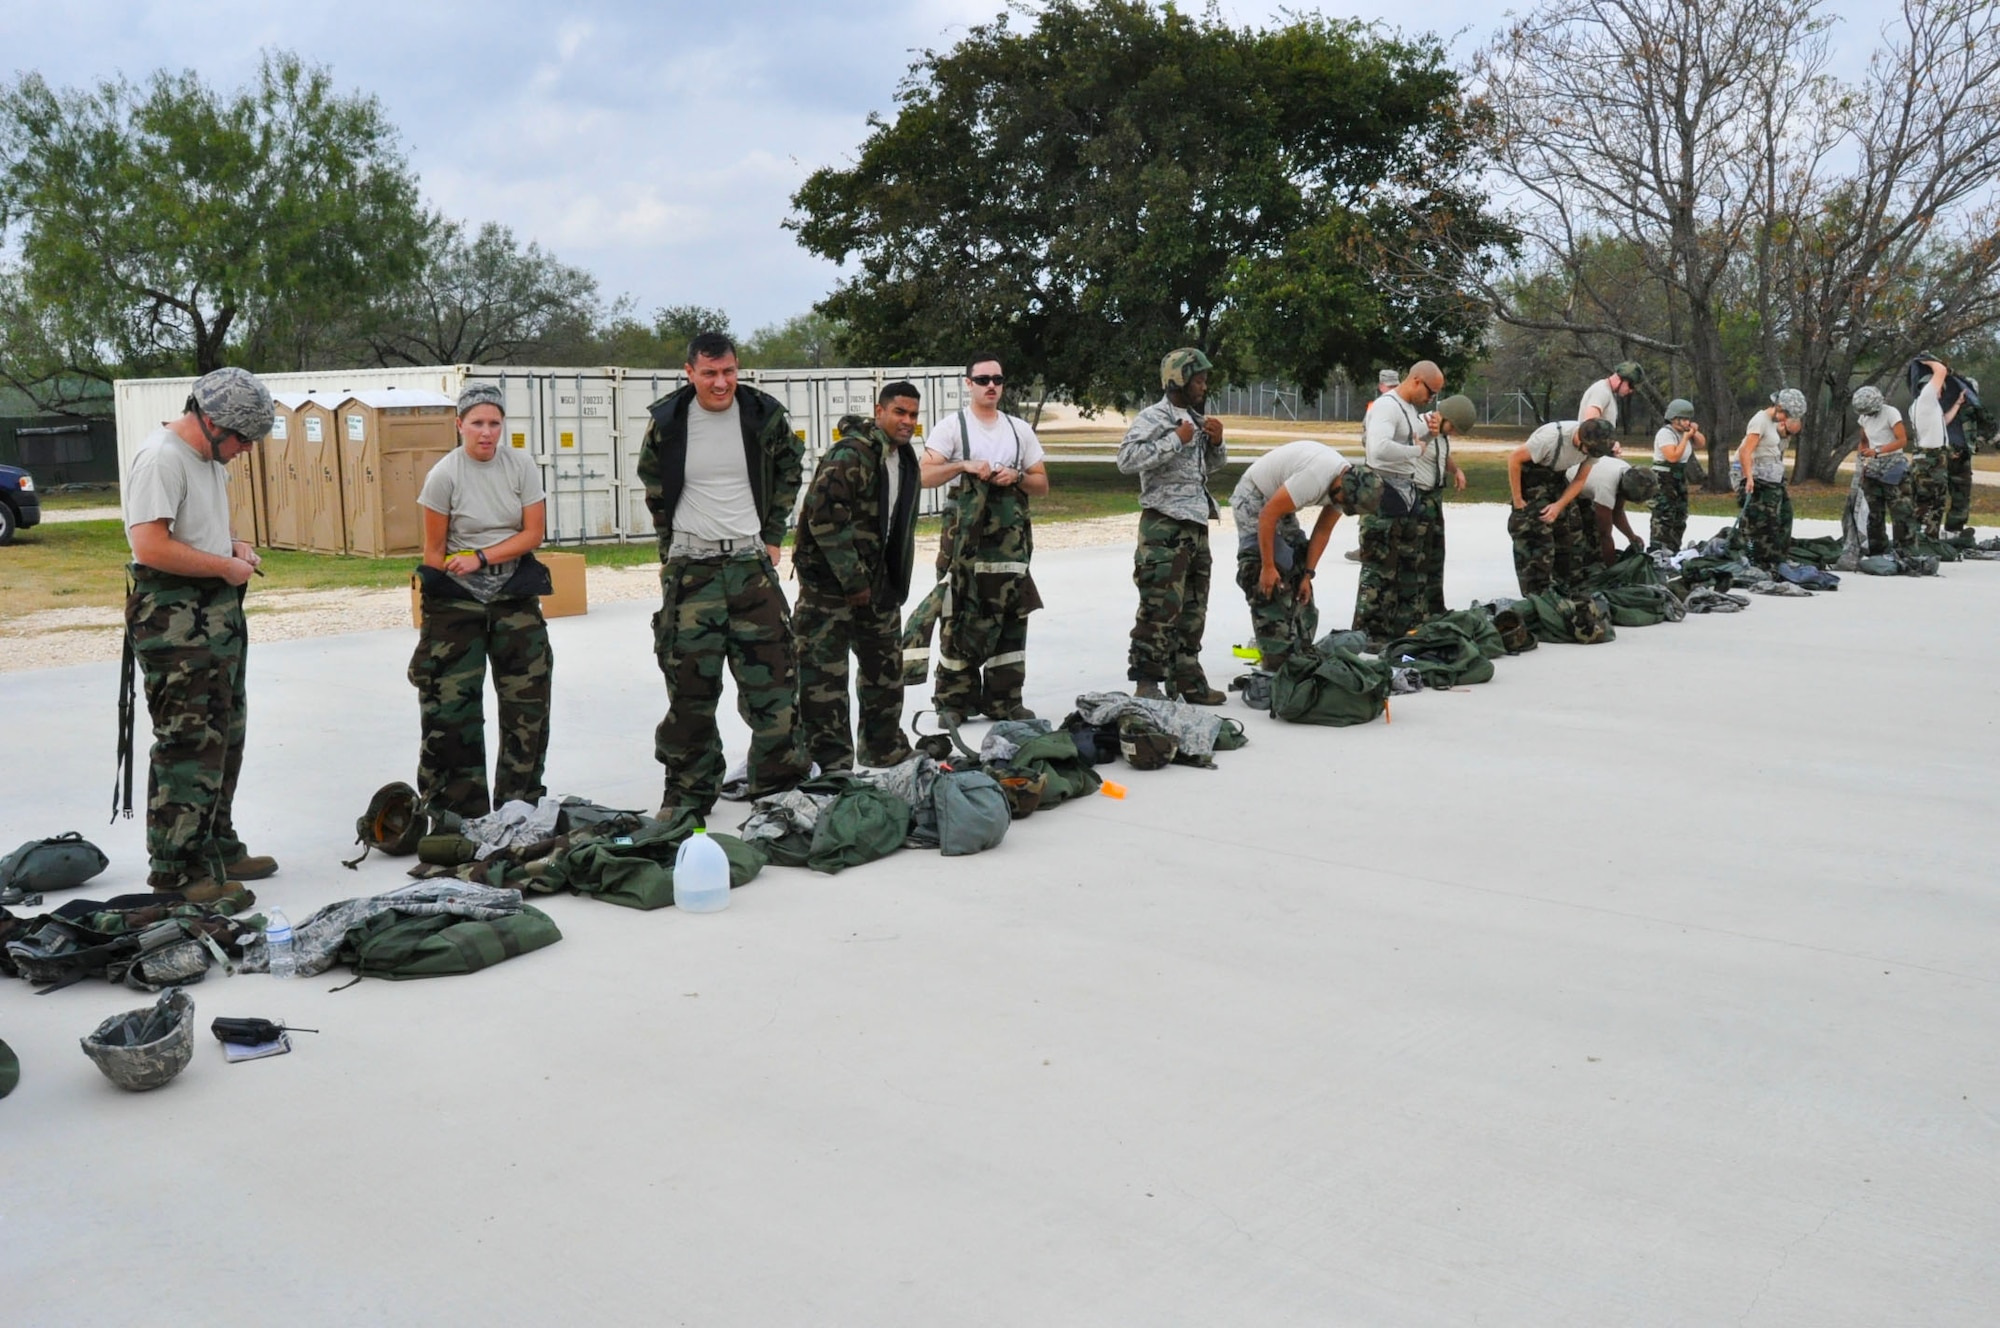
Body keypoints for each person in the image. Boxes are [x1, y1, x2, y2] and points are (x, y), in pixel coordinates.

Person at [120, 367, 276, 902]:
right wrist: (220, 566)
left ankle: (215, 844)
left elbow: (195, 527)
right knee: (188, 741)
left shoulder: (209, 457)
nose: (246, 450)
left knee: (225, 732)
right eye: (242, 439)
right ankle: (177, 868)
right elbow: (151, 547)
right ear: (210, 421)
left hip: (214, 609)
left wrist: (232, 548)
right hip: (174, 615)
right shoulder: (162, 458)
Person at [638, 331, 809, 819]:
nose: (721, 383)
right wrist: (669, 552)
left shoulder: (762, 414)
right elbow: (654, 484)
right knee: (691, 689)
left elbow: (790, 468)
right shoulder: (669, 422)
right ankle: (690, 793)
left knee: (775, 683)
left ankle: (777, 787)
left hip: (751, 567)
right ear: (689, 372)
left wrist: (773, 533)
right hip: (693, 571)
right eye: (710, 373)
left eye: (729, 371)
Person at [409, 383, 553, 821]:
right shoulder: (444, 475)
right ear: (459, 425)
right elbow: (433, 552)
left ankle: (518, 804)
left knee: (527, 703)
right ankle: (457, 811)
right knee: (451, 708)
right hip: (459, 600)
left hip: (512, 591)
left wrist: (484, 557)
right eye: (476, 423)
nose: (486, 433)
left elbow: (533, 533)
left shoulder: (521, 466)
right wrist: (458, 582)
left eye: (494, 423)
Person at [793, 384, 923, 772]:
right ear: (879, 411)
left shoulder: (903, 457)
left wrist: (887, 580)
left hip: (878, 585)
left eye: (914, 415)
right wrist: (853, 581)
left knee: (885, 672)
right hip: (829, 590)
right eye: (900, 412)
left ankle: (883, 748)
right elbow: (823, 518)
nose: (907, 422)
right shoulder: (851, 455)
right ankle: (830, 764)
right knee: (823, 680)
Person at [918, 353, 1050, 723]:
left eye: (997, 379)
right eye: (982, 380)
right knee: (959, 615)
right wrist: (963, 465)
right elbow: (925, 475)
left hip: (1010, 548)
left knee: (1011, 616)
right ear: (968, 384)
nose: (991, 385)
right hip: (964, 549)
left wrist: (1017, 477)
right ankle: (953, 702)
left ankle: (1005, 701)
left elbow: (1041, 484)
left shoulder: (1019, 430)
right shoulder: (951, 428)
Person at [1118, 347, 1227, 703]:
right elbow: (1127, 459)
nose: (1204, 385)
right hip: (1164, 526)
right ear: (1177, 379)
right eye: (1198, 379)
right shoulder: (1154, 417)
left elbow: (1206, 469)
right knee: (1159, 607)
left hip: (1196, 524)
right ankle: (1147, 681)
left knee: (1194, 608)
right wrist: (1173, 439)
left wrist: (1216, 442)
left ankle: (1186, 680)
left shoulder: (1197, 418)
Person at [1231, 440, 1373, 674]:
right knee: (1266, 571)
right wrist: (1267, 566)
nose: (1340, 506)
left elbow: (1322, 531)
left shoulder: (1348, 486)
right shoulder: (1316, 478)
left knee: (1296, 564)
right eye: (1342, 503)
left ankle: (1298, 645)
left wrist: (1308, 575)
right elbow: (1267, 516)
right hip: (1255, 497)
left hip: (1281, 503)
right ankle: (1273, 651)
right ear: (1340, 487)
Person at [1356, 361, 1445, 643]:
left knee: (1407, 567)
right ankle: (1369, 634)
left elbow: (1417, 443)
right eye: (1430, 393)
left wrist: (1432, 432)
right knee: (1379, 569)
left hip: (1405, 491)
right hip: (1381, 491)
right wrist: (1415, 451)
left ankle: (1402, 631)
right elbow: (1378, 448)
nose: (1430, 399)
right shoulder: (1387, 406)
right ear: (1417, 380)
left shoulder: (1409, 409)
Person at [1506, 417, 1616, 595]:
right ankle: (1538, 592)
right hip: (1531, 476)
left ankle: (1568, 585)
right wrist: (1518, 500)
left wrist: (1559, 505)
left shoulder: (1594, 448)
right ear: (1580, 440)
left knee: (1572, 530)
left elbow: (1579, 480)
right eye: (1591, 450)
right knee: (1538, 531)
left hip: (1557, 478)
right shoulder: (1550, 439)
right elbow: (1514, 460)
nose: (1593, 454)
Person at [1412, 394, 1475, 618]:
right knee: (1418, 558)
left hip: (1434, 500)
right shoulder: (1420, 425)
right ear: (1447, 416)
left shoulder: (1441, 434)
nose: (1454, 433)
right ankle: (1417, 611)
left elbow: (1441, 456)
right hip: (1418, 499)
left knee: (1436, 557)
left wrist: (1456, 470)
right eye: (1455, 428)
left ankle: (1435, 608)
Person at [1542, 454, 1659, 568]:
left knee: (1592, 530)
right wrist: (1612, 570)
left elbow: (1617, 511)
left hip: (1586, 483)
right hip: (1567, 483)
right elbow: (1604, 534)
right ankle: (1569, 570)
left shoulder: (1628, 473)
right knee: (1575, 532)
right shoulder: (1607, 487)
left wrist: (1632, 537)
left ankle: (1591, 562)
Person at [1738, 389, 1807, 567]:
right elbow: (1745, 451)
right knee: (1764, 522)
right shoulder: (1759, 421)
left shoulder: (1775, 423)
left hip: (1773, 478)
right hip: (1759, 478)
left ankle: (1779, 558)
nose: (1785, 420)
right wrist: (1748, 478)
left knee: (1785, 515)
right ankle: (1761, 560)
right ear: (1778, 407)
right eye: (1786, 415)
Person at [1851, 385, 1914, 555]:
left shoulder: (1890, 412)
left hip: (1893, 464)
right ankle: (1877, 548)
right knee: (1873, 511)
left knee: (1901, 510)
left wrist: (1878, 451)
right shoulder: (1864, 418)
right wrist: (1862, 456)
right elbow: (1864, 440)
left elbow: (1902, 440)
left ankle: (1905, 550)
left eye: (1870, 411)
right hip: (1872, 466)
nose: (1868, 415)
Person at [1647, 398, 1703, 553]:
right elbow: (1672, 456)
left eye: (1688, 419)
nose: (1686, 422)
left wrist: (1694, 432)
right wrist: (1685, 438)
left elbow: (1701, 443)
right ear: (1674, 418)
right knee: (1664, 515)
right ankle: (1658, 549)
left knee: (1680, 514)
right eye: (1683, 419)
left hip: (1678, 476)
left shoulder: (1685, 432)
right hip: (1664, 477)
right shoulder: (1666, 433)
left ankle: (1673, 548)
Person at [1906, 359, 1953, 539]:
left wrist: (1957, 404)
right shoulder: (1927, 397)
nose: (1941, 391)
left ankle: (1917, 540)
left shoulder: (1923, 406)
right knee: (1932, 503)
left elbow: (1943, 422)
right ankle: (1927, 541)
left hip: (1926, 457)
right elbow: (1941, 370)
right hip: (1931, 460)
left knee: (1924, 502)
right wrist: (1927, 360)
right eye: (1940, 387)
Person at [1945, 374, 1977, 536]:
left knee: (1962, 496)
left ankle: (1954, 531)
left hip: (1963, 458)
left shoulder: (1973, 413)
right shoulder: (1945, 408)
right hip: (1942, 457)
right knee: (1932, 496)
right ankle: (1925, 532)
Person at [1579, 361, 1644, 428]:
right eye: (1631, 386)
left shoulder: (1607, 392)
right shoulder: (1601, 391)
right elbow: (1590, 424)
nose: (1631, 391)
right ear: (1621, 379)